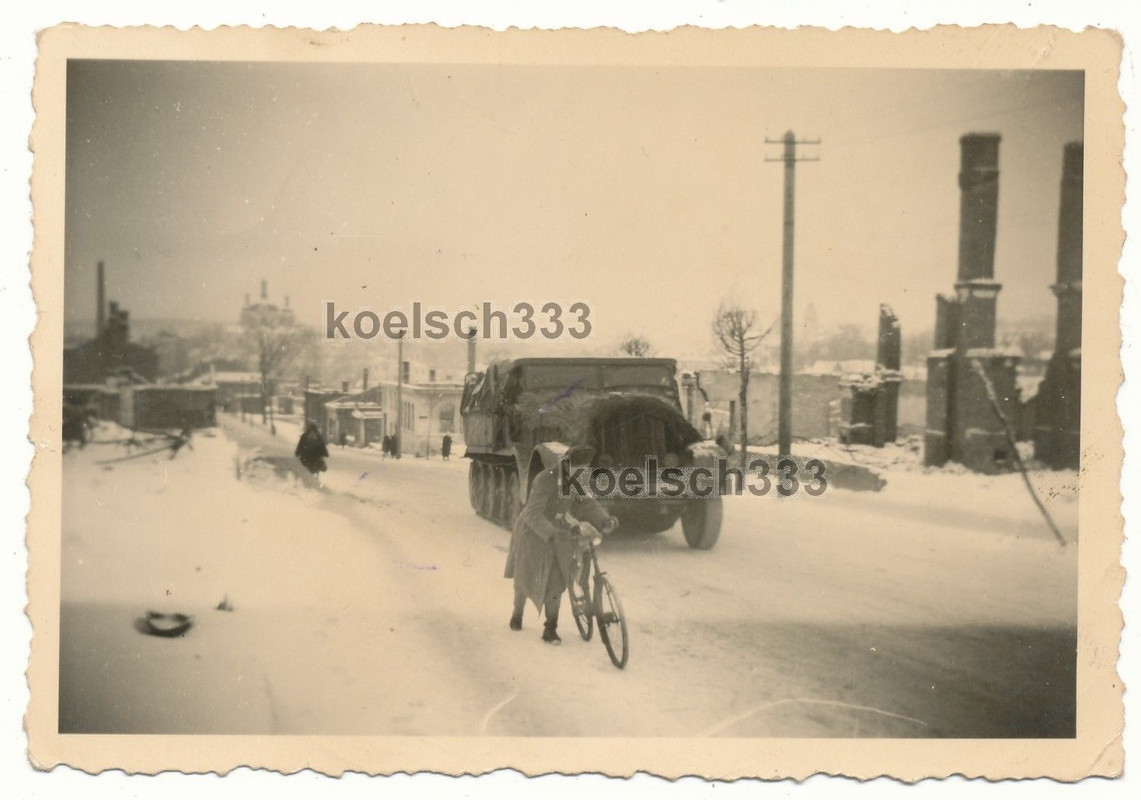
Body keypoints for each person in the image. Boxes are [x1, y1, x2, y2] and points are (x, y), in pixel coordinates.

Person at [504, 444, 617, 644]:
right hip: (532, 531)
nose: (582, 472)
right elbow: (532, 513)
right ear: (568, 465)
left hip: (558, 531)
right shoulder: (545, 480)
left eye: (585, 468)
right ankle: (517, 612)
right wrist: (552, 533)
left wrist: (604, 520)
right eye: (579, 468)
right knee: (525, 575)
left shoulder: (577, 480)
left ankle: (550, 628)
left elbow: (587, 503)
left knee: (556, 579)